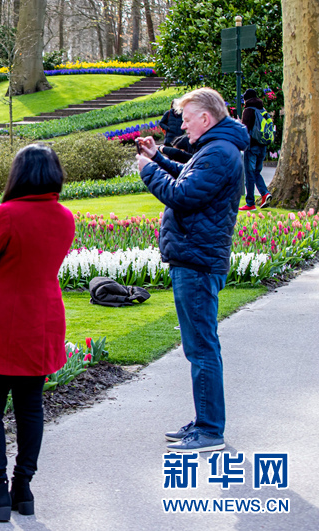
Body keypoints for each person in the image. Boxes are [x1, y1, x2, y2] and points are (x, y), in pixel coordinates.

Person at [0, 144, 75, 521]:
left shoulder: (7, 215)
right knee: (29, 407)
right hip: (41, 319)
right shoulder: (64, 216)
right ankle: (23, 488)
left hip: (0, 322)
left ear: (19, 175)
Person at [136, 87, 249, 453]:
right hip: (196, 257)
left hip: (197, 261)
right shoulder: (218, 148)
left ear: (205, 117)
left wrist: (148, 171)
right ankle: (204, 422)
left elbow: (181, 195)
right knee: (199, 346)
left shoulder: (218, 151)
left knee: (201, 348)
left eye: (186, 119)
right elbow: (189, 177)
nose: (182, 126)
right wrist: (158, 157)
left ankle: (210, 431)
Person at [240, 89, 272, 211]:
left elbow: (245, 130)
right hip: (262, 146)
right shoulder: (262, 110)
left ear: (246, 99)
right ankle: (265, 193)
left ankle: (250, 203)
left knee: (249, 174)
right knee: (256, 172)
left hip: (251, 146)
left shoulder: (248, 110)